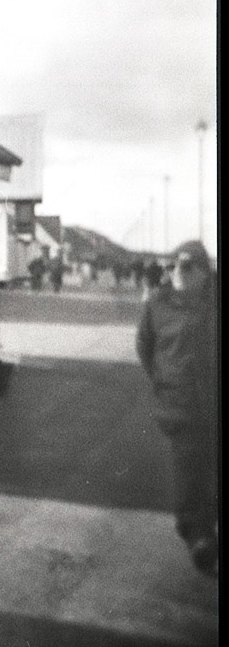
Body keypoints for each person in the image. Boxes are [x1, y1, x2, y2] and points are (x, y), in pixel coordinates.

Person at [135, 240, 219, 576]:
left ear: (204, 272)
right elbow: (145, 346)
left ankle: (201, 530)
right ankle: (198, 535)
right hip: (180, 404)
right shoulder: (159, 303)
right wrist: (163, 379)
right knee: (190, 471)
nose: (177, 272)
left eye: (186, 266)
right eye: (173, 266)